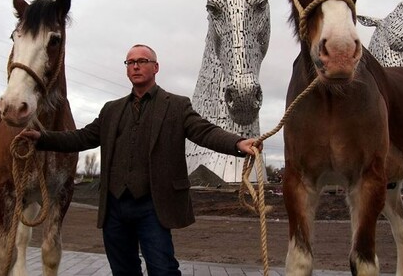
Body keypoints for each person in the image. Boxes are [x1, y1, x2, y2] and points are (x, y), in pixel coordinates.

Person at [20, 44, 261, 276]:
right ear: (126, 69)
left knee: (163, 270)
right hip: (114, 206)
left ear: (156, 67)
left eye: (142, 61)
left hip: (153, 206)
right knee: (123, 271)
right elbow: (81, 138)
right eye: (131, 62)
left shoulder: (176, 105)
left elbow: (204, 131)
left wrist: (237, 143)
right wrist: (42, 138)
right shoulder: (111, 110)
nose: (135, 66)